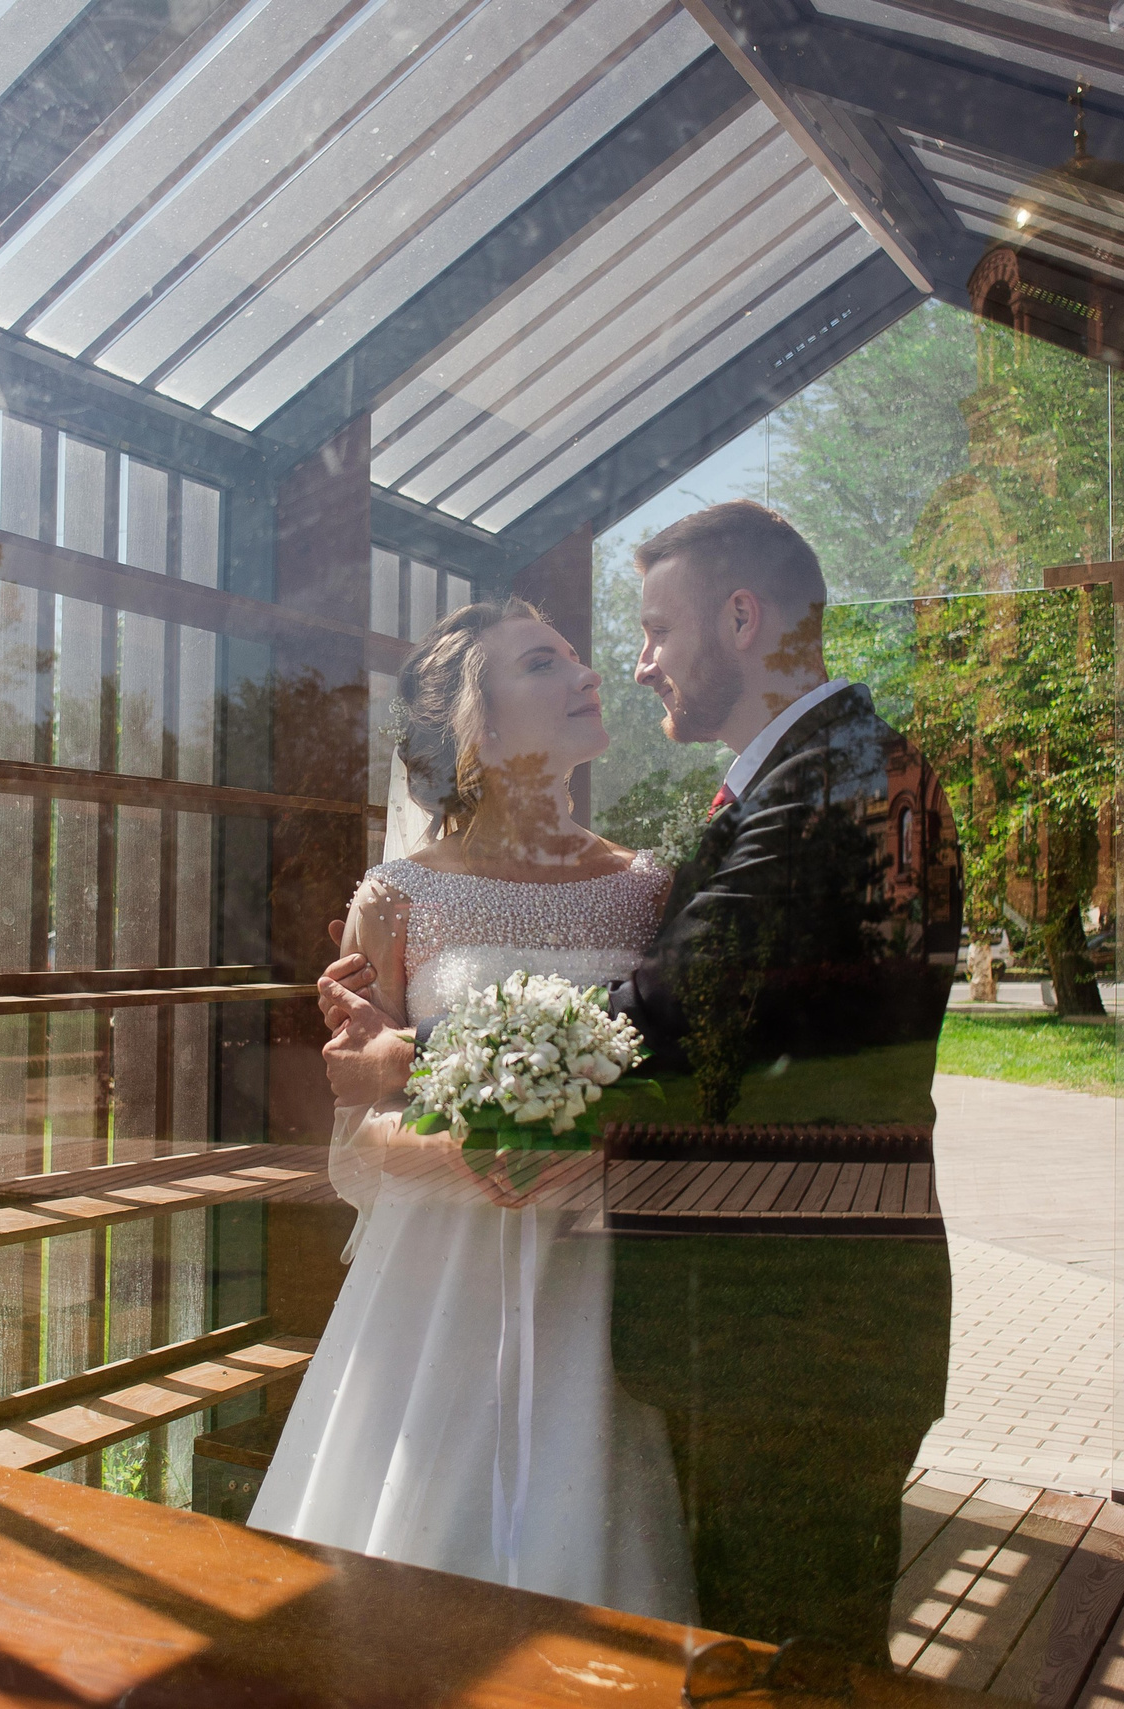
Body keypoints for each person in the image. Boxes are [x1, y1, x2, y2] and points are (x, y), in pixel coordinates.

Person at [318, 502, 962, 1675]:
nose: (628, 662)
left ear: (740, 617)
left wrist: (409, 1065)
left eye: (651, 627)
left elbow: (667, 1024)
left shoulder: (821, 788)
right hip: (625, 1298)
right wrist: (400, 1096)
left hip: (783, 1317)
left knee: (778, 1650)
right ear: (470, 721)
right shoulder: (819, 775)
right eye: (549, 656)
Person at [246, 598, 698, 1626]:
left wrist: (595, 1143)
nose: (588, 674)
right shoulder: (396, 898)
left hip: (598, 1272)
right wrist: (469, 1153)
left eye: (578, 656)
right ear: (482, 731)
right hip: (434, 1284)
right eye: (544, 662)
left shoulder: (646, 891)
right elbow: (358, 1140)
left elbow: (679, 1076)